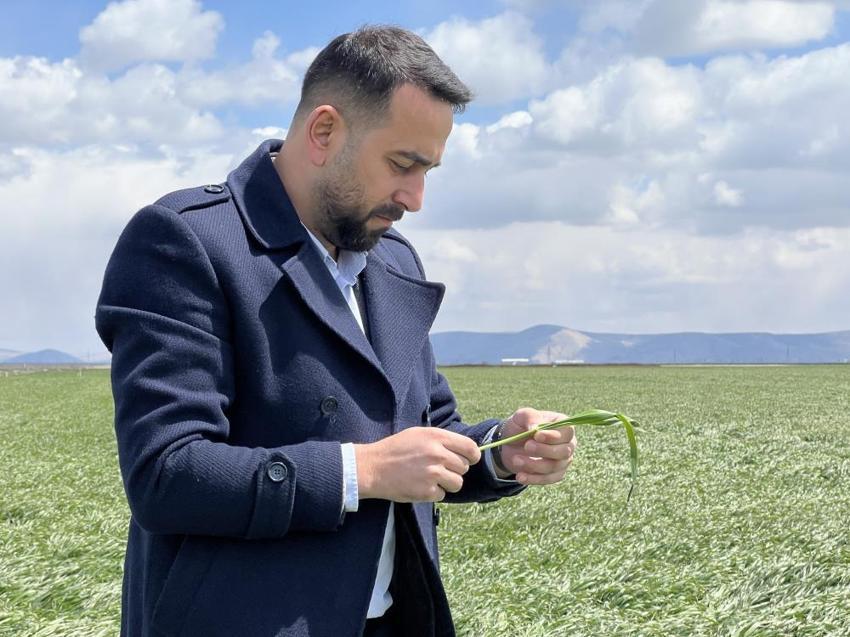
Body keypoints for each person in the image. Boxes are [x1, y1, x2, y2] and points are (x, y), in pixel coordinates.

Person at [96, 25, 577, 637]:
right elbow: (166, 474)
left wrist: (500, 453)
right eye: (403, 165)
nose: (416, 197)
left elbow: (427, 434)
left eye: (428, 170)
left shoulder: (393, 260)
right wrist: (362, 472)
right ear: (324, 131)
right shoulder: (187, 241)